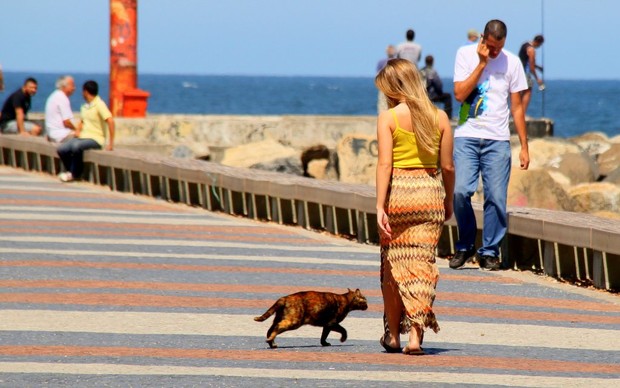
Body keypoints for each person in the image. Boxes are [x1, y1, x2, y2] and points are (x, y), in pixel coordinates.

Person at [375, 58, 454, 355]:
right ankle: (415, 338)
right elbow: (447, 166)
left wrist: (380, 205)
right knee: (422, 266)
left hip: (399, 197)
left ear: (393, 88)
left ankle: (393, 335)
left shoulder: (389, 118)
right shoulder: (441, 117)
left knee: (393, 267)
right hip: (429, 195)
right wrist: (447, 200)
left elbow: (385, 165)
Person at [449, 19, 529, 271]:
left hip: (498, 140)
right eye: (491, 47)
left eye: (499, 47)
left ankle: (489, 251)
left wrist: (524, 146)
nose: (495, 52)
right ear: (483, 38)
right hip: (467, 135)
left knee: (496, 198)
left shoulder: (512, 62)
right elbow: (460, 94)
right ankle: (465, 245)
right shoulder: (464, 54)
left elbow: (516, 107)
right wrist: (482, 64)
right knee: (461, 192)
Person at [57, 80, 115, 182]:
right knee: (62, 149)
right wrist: (77, 131)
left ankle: (75, 174)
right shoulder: (84, 106)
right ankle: (71, 170)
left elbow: (110, 121)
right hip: (83, 137)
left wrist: (110, 143)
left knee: (76, 147)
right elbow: (82, 121)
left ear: (86, 92)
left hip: (96, 138)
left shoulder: (99, 104)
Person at [45, 75, 77, 143]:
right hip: (61, 135)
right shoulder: (62, 98)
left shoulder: (54, 96)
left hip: (53, 134)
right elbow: (67, 122)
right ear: (64, 86)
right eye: (72, 85)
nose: (74, 88)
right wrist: (77, 130)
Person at [518, 34, 545, 114]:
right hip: (525, 73)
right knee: (528, 91)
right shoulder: (531, 50)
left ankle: (516, 113)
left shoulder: (525, 44)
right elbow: (531, 66)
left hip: (518, 71)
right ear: (538, 42)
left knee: (519, 93)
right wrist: (538, 79)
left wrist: (538, 67)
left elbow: (525, 60)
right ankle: (522, 114)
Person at [376, 45, 397, 113]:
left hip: (389, 85)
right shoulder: (397, 61)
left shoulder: (382, 62)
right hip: (388, 85)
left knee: (385, 104)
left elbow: (377, 74)